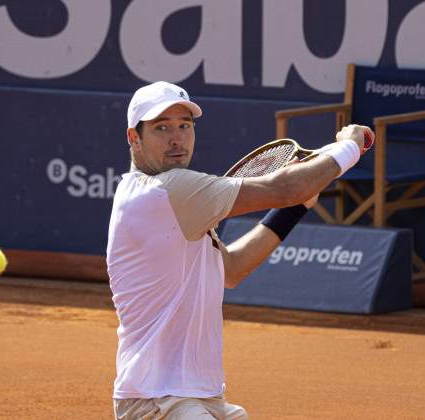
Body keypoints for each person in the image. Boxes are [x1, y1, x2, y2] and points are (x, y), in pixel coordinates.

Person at [107, 81, 372, 419]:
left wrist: (294, 209)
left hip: (200, 396)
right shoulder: (165, 191)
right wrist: (350, 147)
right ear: (134, 138)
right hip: (158, 401)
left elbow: (231, 269)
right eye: (162, 128)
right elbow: (289, 186)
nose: (177, 138)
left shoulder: (174, 201)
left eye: (184, 126)